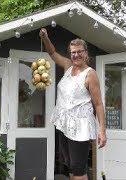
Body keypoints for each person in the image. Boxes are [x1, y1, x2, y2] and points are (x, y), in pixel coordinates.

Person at [39, 28, 107, 180]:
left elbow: (98, 105)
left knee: (78, 170)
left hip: (80, 127)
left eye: (79, 51)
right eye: (73, 52)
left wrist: (102, 131)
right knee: (70, 166)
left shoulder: (90, 74)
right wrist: (45, 38)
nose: (76, 55)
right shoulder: (68, 66)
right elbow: (52, 53)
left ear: (85, 53)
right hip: (64, 124)